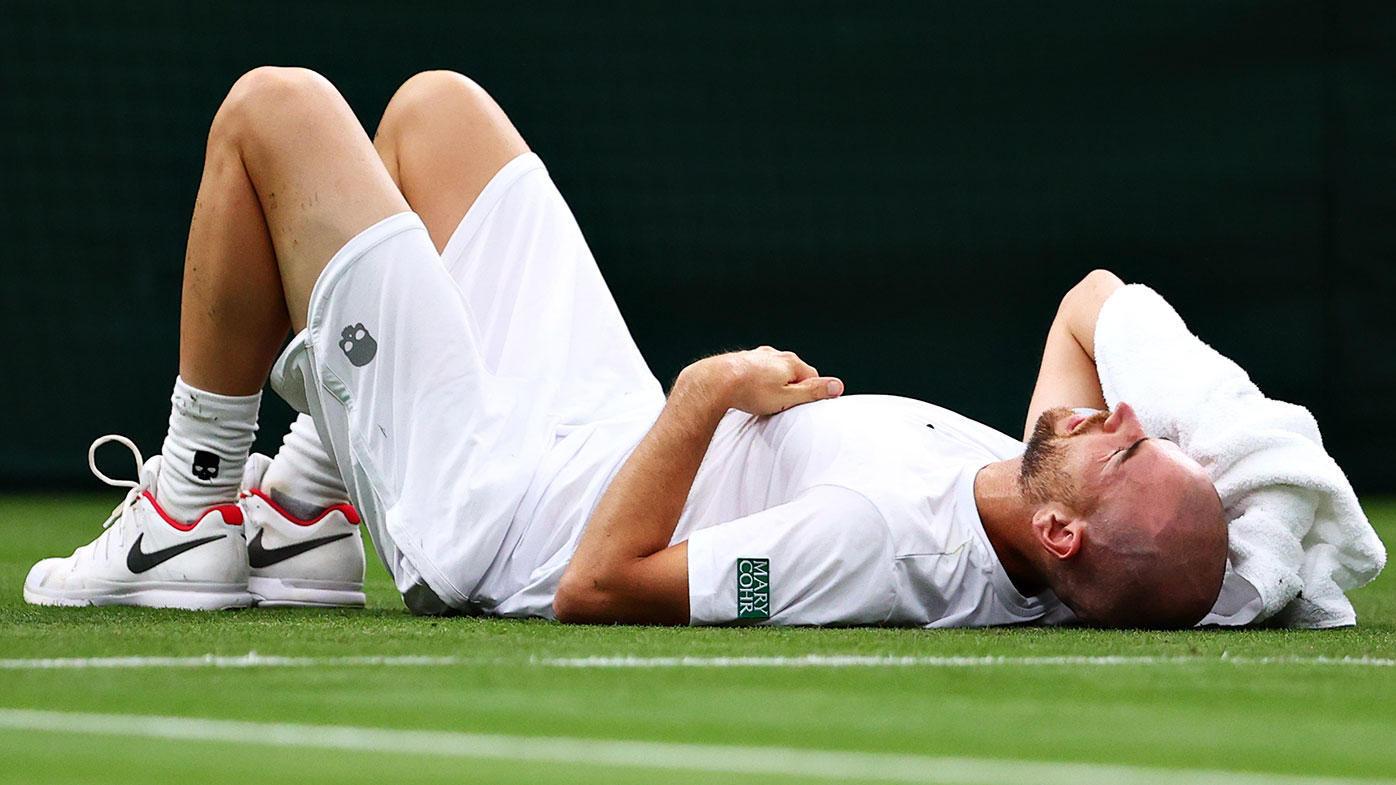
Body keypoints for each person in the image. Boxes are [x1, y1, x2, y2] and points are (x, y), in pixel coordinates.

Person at [23, 68, 1229, 628]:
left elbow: (601, 586)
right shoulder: (1036, 492)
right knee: (438, 113)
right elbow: (1090, 302)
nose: (1119, 416)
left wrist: (709, 390)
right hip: (594, 427)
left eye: (1129, 455)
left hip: (504, 515)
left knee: (272, 110)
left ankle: (186, 512)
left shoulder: (876, 546)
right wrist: (1232, 490)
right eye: (1141, 429)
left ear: (1066, 531)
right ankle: (305, 515)